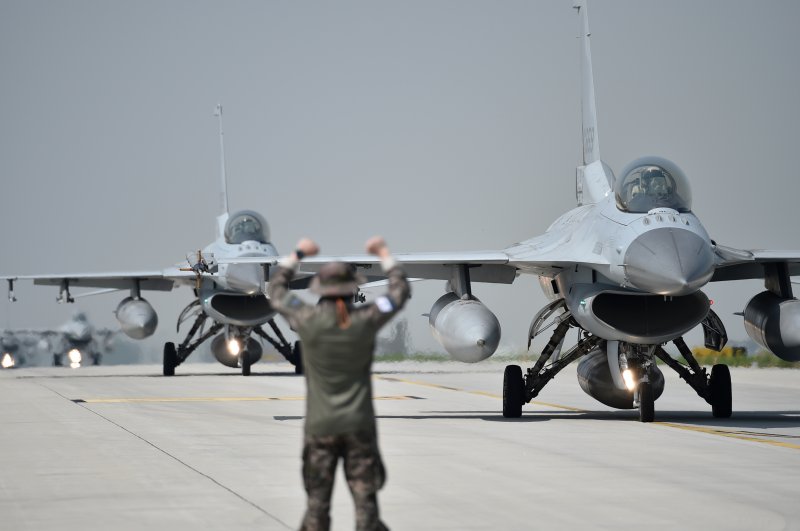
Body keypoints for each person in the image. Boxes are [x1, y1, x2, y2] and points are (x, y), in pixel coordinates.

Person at [267, 236, 411, 531]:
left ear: (322, 289)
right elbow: (399, 291)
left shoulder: (306, 316)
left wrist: (297, 254)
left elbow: (276, 290)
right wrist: (383, 253)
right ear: (350, 290)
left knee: (317, 510)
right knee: (366, 510)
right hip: (359, 428)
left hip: (320, 429)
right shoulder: (367, 317)